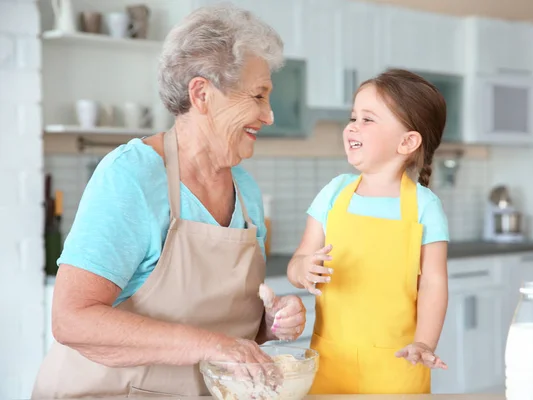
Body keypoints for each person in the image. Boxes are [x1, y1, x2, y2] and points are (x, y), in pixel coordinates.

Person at [32, 4, 306, 398]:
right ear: (202, 94)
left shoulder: (245, 192)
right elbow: (72, 320)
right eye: (258, 96)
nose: (269, 115)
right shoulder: (133, 177)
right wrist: (214, 345)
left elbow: (227, 325)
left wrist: (268, 322)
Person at [287, 69, 450, 394]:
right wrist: (303, 269)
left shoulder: (424, 206)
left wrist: (424, 342)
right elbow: (299, 260)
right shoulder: (333, 194)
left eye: (368, 119)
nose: (352, 126)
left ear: (407, 141)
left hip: (398, 365)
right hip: (331, 360)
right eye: (353, 117)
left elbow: (434, 282)